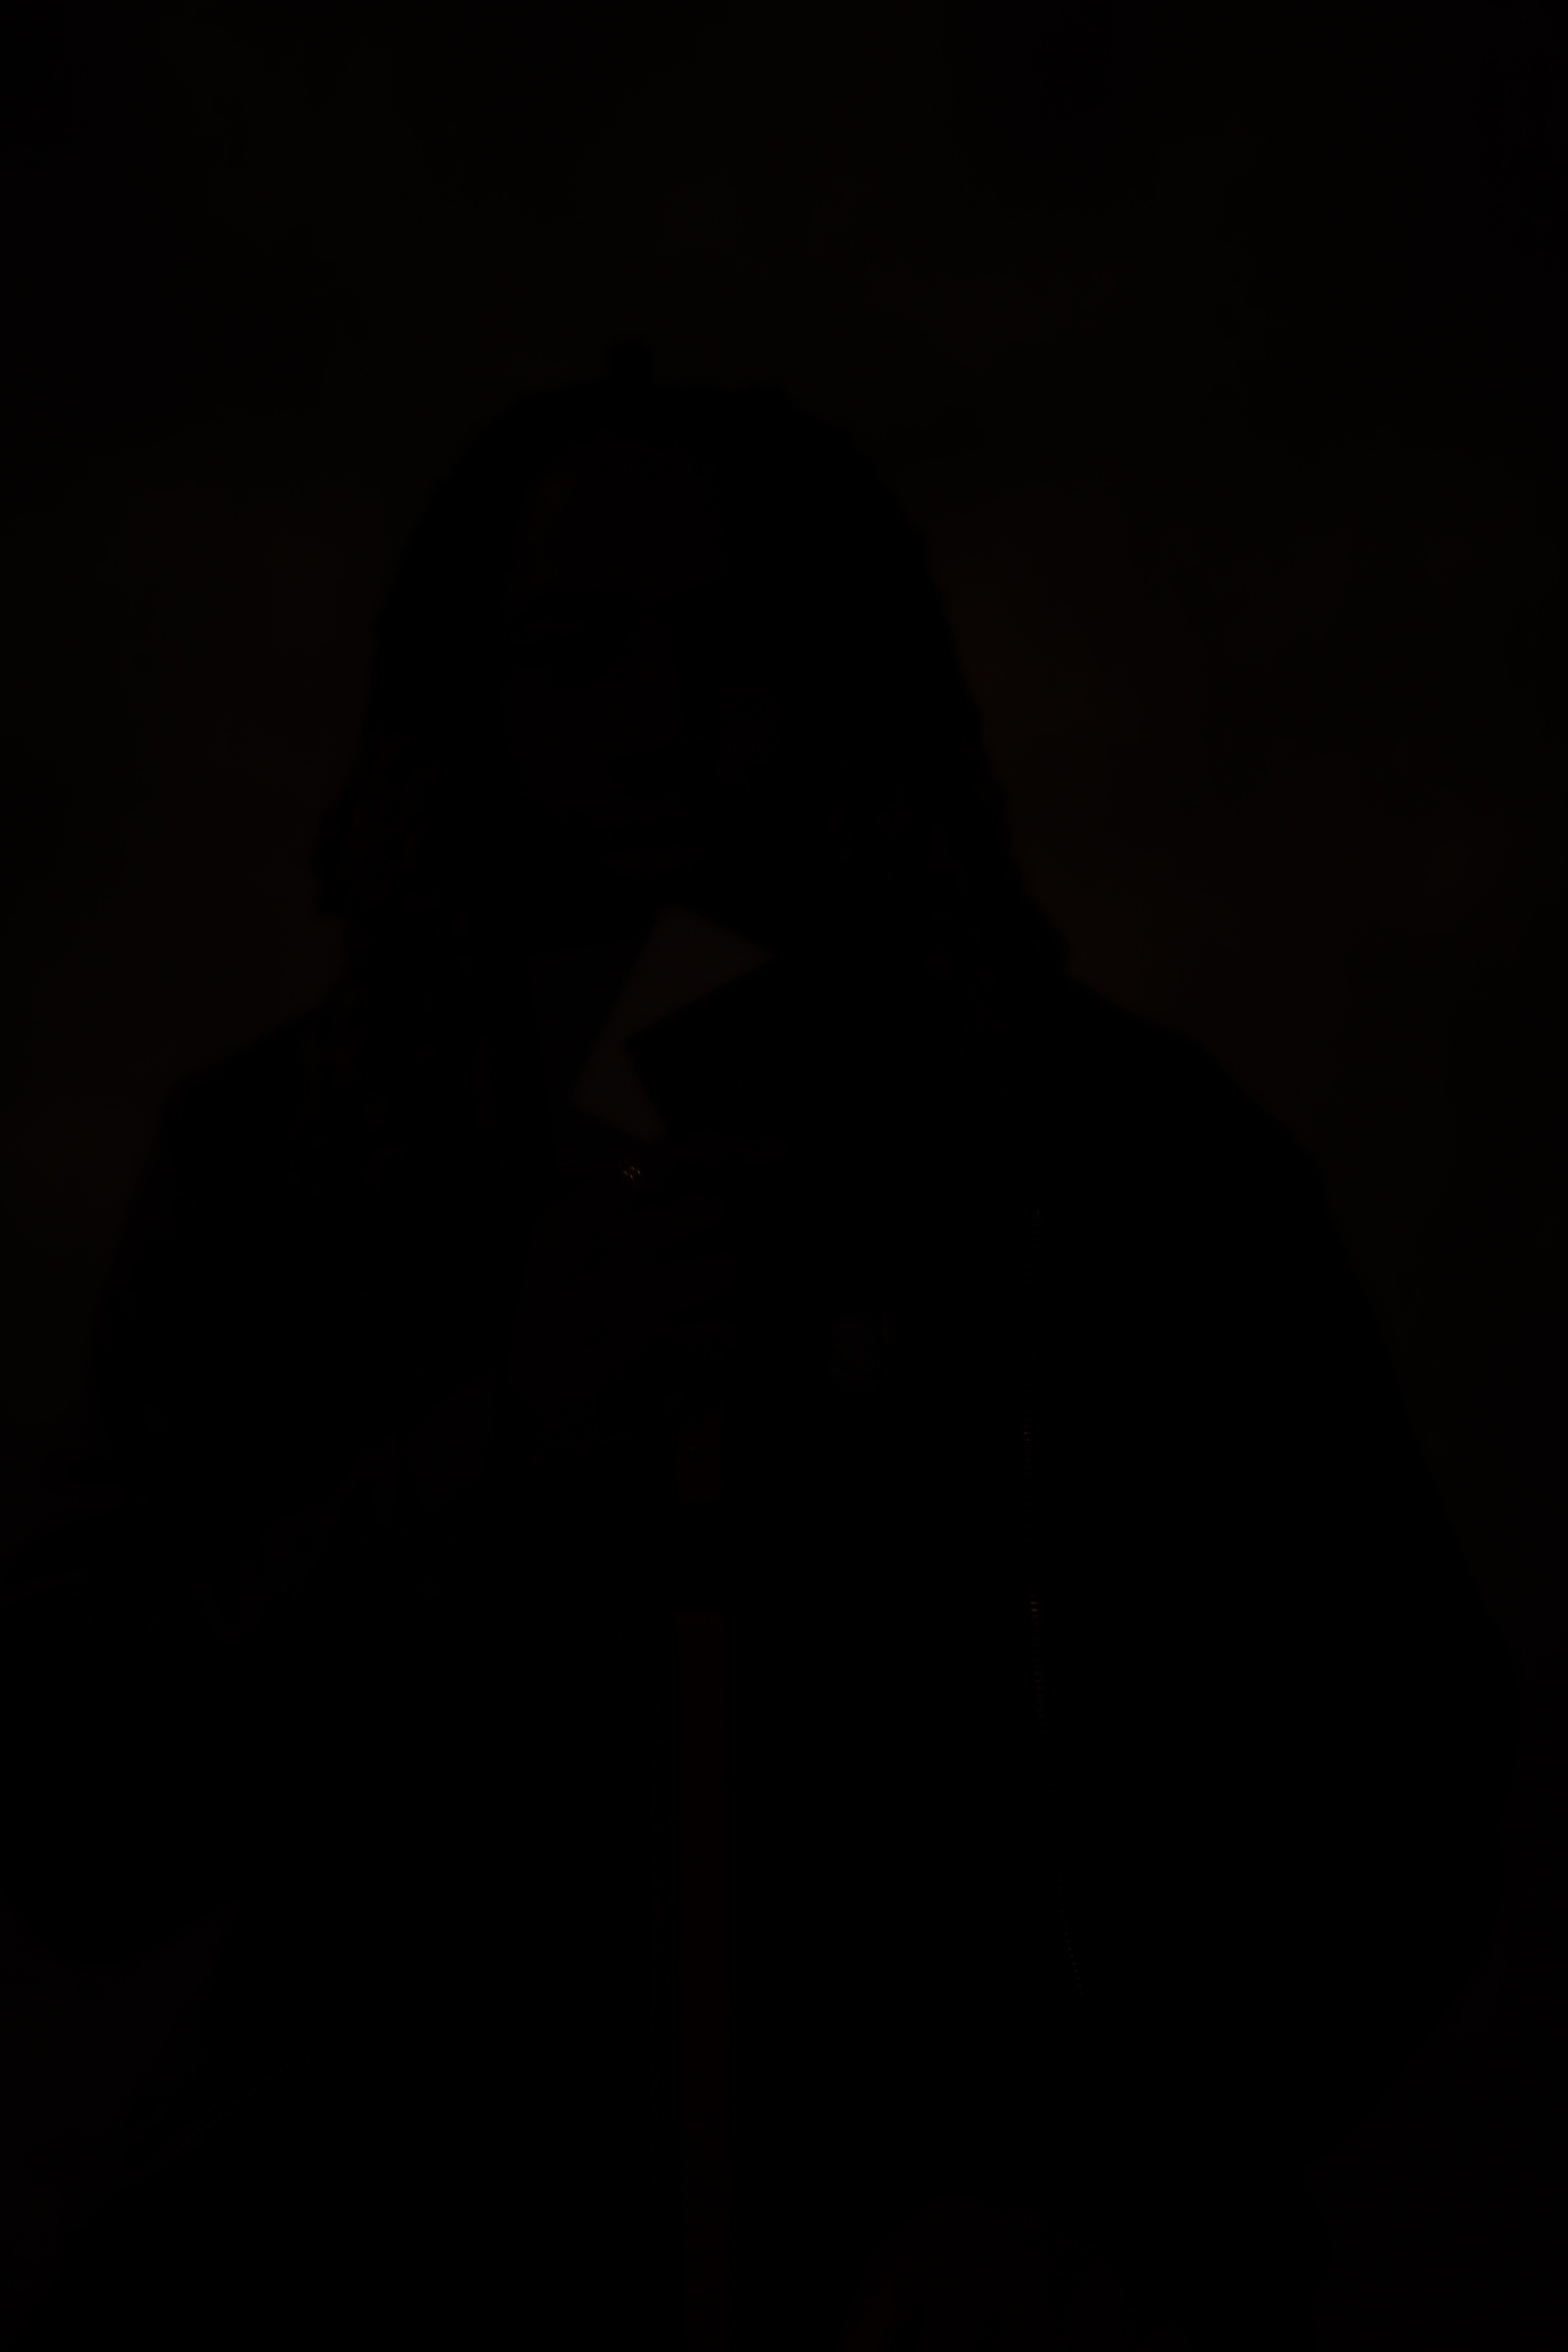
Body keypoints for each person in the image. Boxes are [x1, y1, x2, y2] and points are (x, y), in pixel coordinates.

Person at [0, 340, 1518, 2350]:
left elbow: (1397, 1772)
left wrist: (1109, 2191)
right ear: (467, 693)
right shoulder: (279, 1171)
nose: (661, 715)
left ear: (847, 677)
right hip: (365, 2288)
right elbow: (85, 1801)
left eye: (733, 642)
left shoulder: (1124, 1162)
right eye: (575, 650)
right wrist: (495, 1438)